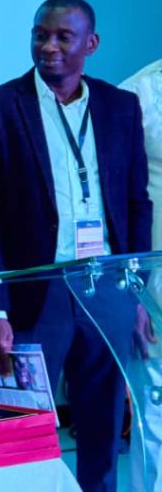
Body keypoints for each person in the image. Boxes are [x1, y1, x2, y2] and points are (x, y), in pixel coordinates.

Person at [0, 0, 152, 492]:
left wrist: (136, 295)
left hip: (106, 286)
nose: (48, 46)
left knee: (103, 434)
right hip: (35, 290)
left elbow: (137, 203)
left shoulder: (120, 106)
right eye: (40, 35)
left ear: (90, 44)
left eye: (63, 37)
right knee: (20, 433)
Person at [121, 58, 162, 491]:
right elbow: (117, 199)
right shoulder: (138, 94)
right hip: (155, 288)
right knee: (156, 420)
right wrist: (130, 297)